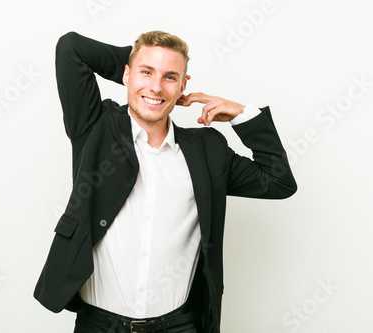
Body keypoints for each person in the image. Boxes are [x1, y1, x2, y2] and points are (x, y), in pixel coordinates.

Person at [33, 30, 297, 333]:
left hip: (178, 326)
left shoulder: (207, 150)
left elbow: (279, 182)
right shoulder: (96, 127)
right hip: (99, 326)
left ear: (184, 86)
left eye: (170, 77)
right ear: (127, 75)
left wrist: (242, 114)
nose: (156, 88)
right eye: (146, 72)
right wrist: (137, 59)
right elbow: (71, 47)